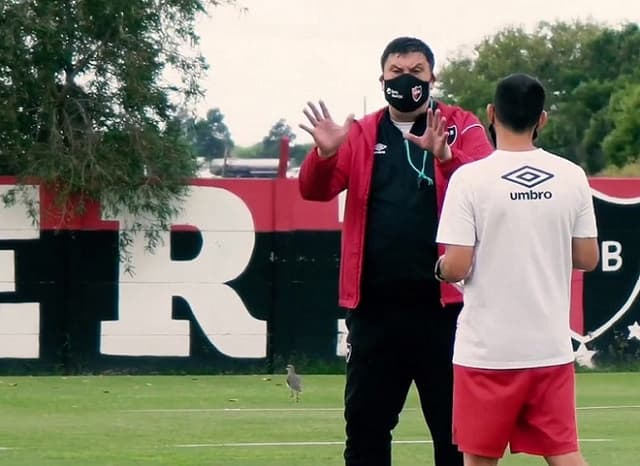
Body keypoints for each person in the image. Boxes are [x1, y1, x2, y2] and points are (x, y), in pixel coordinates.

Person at [298, 37, 494, 466]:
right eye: (396, 73)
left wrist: (446, 157)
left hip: (448, 313)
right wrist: (324, 154)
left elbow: (488, 187)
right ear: (382, 78)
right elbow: (315, 190)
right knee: (366, 429)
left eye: (417, 72)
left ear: (432, 78)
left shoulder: (463, 124)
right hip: (375, 312)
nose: (406, 81)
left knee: (456, 433)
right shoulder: (363, 132)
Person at [435, 73, 599, 466]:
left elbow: (458, 262)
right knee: (564, 454)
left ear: (491, 114)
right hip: (549, 347)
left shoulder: (470, 178)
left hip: (487, 352)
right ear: (541, 119)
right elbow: (588, 258)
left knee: (479, 459)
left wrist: (441, 269)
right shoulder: (571, 176)